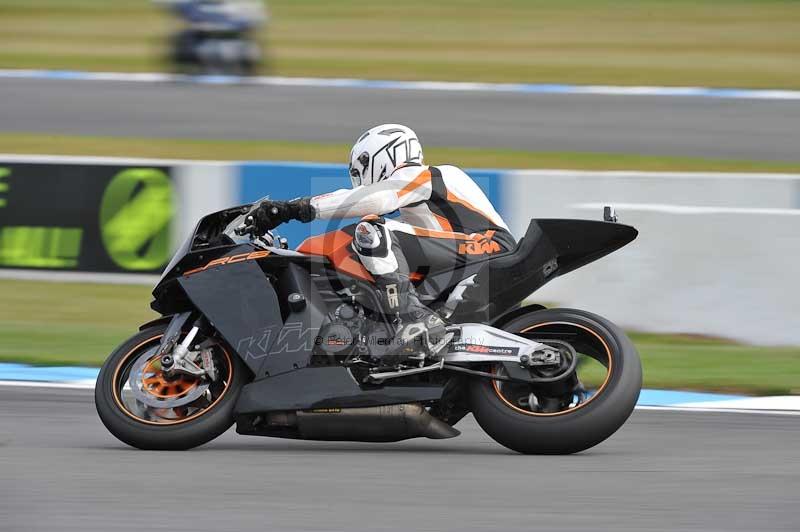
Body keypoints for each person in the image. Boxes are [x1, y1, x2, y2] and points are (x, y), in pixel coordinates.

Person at [252, 124, 515, 364]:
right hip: (465, 256)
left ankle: (413, 318)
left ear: (386, 155)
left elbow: (375, 198)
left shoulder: (430, 175)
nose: (360, 178)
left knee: (371, 229)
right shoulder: (418, 202)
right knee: (373, 245)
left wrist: (291, 209)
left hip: (488, 246)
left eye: (361, 168)